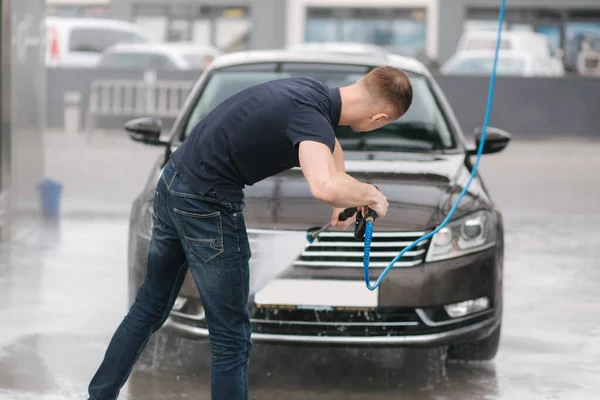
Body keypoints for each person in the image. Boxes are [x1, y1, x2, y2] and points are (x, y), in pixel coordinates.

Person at [87, 65, 413, 400]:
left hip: (173, 181)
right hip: (206, 203)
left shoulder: (313, 94)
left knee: (149, 306)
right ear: (379, 118)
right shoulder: (313, 120)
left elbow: (331, 149)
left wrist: (346, 196)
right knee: (231, 336)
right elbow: (324, 185)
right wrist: (371, 195)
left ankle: (98, 396)